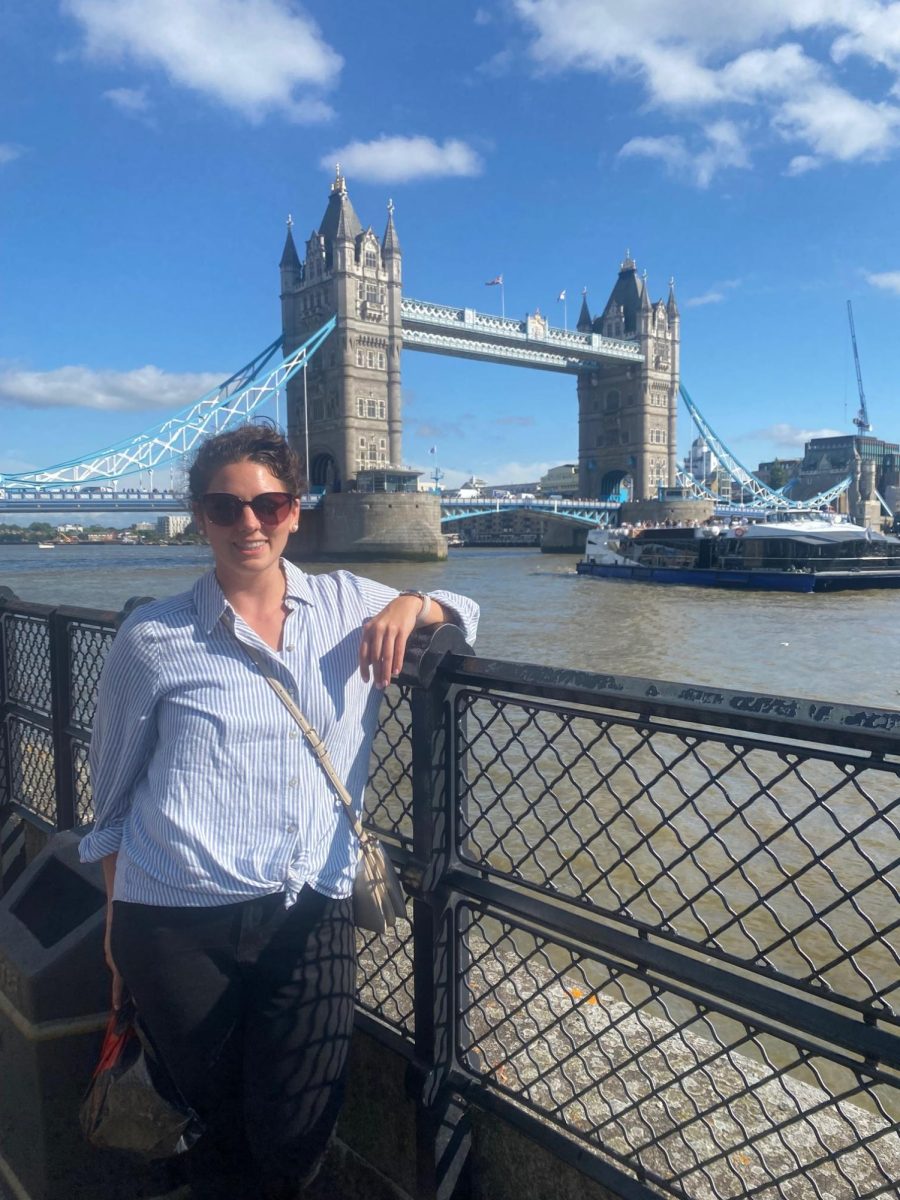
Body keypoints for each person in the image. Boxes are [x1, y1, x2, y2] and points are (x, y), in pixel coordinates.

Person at [79, 422, 479, 1199]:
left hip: (313, 910)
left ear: (298, 510)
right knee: (212, 1130)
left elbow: (467, 613)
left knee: (297, 1135)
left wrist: (414, 602)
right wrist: (112, 928)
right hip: (174, 922)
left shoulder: (348, 603)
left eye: (270, 503)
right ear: (201, 517)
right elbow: (113, 798)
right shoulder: (152, 635)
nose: (249, 523)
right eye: (225, 508)